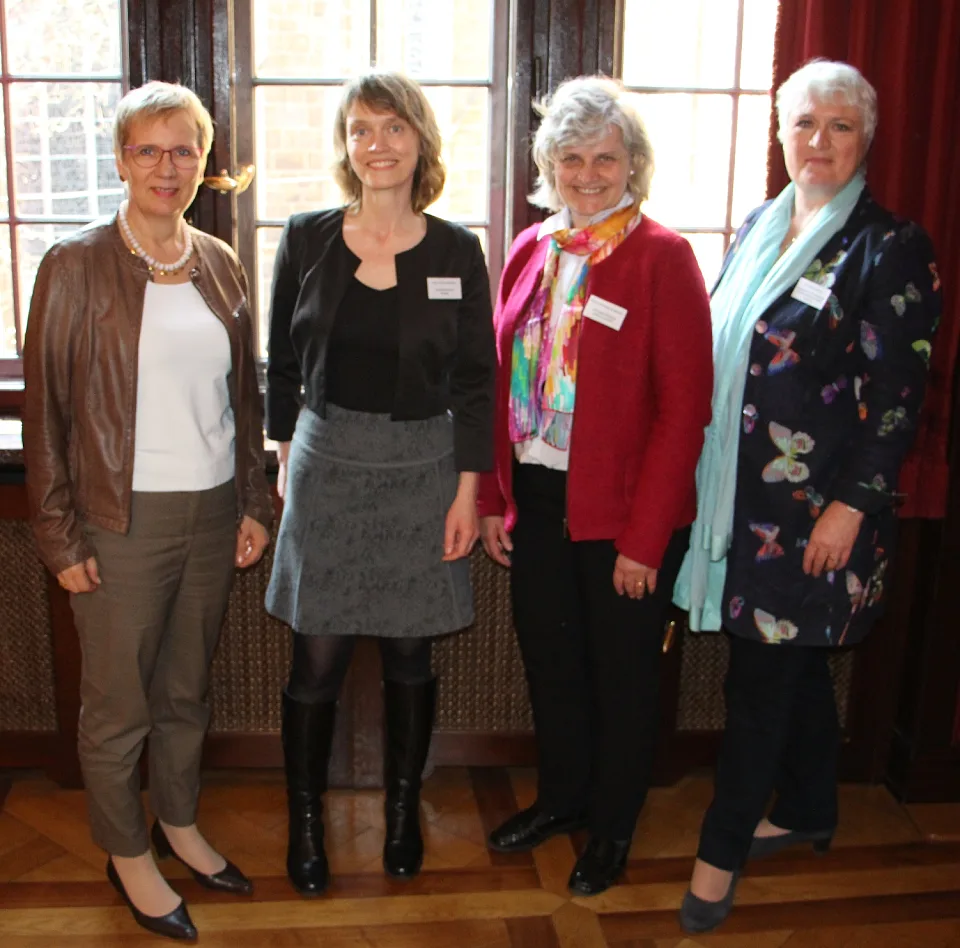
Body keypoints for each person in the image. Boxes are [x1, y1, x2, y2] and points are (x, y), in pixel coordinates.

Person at [673, 60, 942, 934]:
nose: (819, 142)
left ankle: (718, 861)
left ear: (866, 139)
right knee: (791, 668)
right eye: (804, 125)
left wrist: (850, 508)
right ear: (780, 134)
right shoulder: (760, 226)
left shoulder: (889, 245)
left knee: (760, 683)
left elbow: (899, 400)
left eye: (840, 127)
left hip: (817, 514)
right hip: (741, 501)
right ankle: (811, 808)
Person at [22, 81, 273, 940]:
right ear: (121, 159)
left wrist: (252, 500)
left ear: (203, 164)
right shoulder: (74, 264)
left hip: (209, 515)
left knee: (185, 691)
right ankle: (125, 849)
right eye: (148, 150)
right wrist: (58, 535)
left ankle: (179, 822)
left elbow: (245, 397)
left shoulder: (220, 262)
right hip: (115, 522)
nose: (167, 167)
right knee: (117, 705)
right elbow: (46, 414)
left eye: (184, 151)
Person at [476, 76, 713, 896]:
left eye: (605, 158)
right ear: (550, 164)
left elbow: (685, 415)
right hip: (538, 498)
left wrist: (646, 541)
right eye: (571, 158)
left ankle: (610, 830)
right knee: (552, 665)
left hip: (623, 514)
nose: (587, 174)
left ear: (632, 164)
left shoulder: (663, 257)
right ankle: (563, 799)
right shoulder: (531, 247)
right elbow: (496, 379)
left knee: (621, 677)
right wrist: (492, 499)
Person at [265, 71, 495, 895]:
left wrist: (469, 491)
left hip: (422, 467)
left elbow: (475, 380)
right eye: (361, 129)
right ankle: (306, 823)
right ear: (346, 145)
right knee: (315, 658)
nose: (378, 144)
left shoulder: (457, 250)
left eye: (394, 127)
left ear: (421, 140)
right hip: (325, 467)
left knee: (407, 651)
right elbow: (282, 365)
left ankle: (402, 812)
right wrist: (285, 450)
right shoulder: (305, 237)